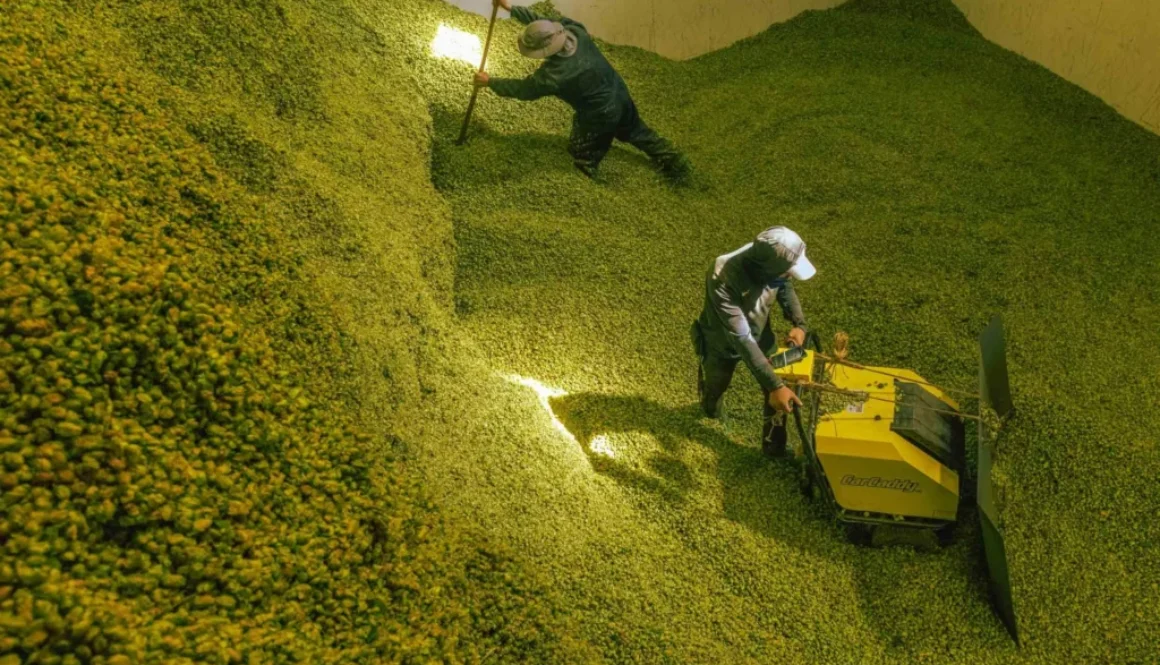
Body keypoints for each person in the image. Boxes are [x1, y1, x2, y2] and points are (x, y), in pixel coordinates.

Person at [472, 0, 690, 182]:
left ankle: (587, 173)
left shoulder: (554, 75)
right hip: (618, 92)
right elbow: (543, 24)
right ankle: (675, 160)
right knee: (636, 131)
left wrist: (490, 82)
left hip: (600, 113)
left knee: (582, 149)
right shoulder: (574, 30)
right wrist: (511, 9)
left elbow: (524, 89)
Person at [690, 226, 816, 457]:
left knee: (777, 394)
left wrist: (799, 323)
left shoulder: (772, 262)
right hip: (722, 342)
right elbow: (741, 337)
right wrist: (775, 386)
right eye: (787, 272)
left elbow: (784, 284)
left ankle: (774, 449)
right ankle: (711, 411)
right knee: (717, 383)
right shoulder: (722, 275)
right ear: (766, 269)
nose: (789, 276)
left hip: (760, 336)